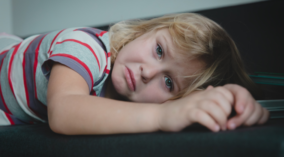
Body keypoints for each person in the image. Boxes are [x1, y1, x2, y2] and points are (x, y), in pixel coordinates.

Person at [0, 13, 269, 134]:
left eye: (168, 82)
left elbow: (195, 102)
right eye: (160, 51)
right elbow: (64, 111)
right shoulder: (84, 46)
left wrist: (229, 100)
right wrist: (163, 115)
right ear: (145, 32)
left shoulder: (126, 100)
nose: (147, 72)